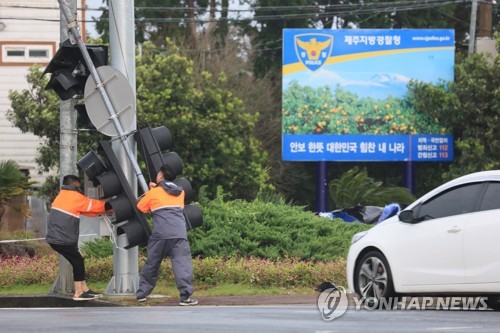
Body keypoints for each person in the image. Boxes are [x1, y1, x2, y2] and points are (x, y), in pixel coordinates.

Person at [136, 164, 197, 306]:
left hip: (161, 234)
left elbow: (141, 207)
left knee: (152, 263)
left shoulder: (154, 193)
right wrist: (155, 190)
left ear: (161, 176)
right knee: (182, 264)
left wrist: (151, 192)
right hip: (179, 233)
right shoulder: (180, 192)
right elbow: (166, 194)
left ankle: (142, 294)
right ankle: (185, 297)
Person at [46, 174, 111, 301]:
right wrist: (113, 206)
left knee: (77, 260)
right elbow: (95, 206)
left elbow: (86, 211)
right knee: (78, 262)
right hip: (62, 239)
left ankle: (85, 289)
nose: (80, 187)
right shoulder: (75, 197)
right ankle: (78, 293)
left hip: (56, 238)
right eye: (78, 185)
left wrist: (101, 212)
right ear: (74, 184)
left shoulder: (62, 196)